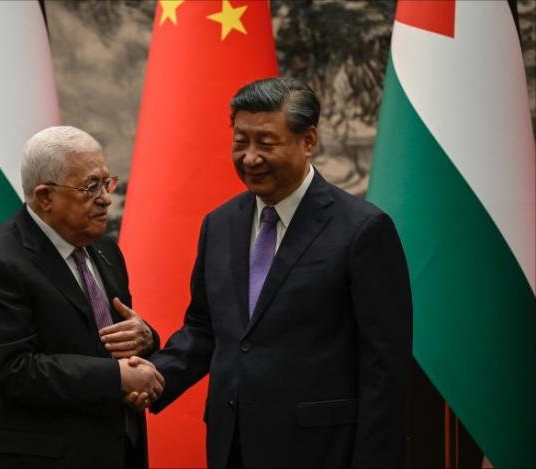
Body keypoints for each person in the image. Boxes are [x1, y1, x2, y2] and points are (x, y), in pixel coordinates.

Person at [144, 78, 413, 468]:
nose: (250, 157)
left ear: (308, 141)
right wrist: (152, 376)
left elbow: (384, 366)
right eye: (241, 141)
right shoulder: (219, 224)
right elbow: (205, 329)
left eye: (266, 144)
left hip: (322, 451)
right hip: (231, 446)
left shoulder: (362, 230)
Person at [0, 126, 164, 468]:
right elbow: (14, 369)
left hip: (114, 449)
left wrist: (146, 338)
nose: (105, 198)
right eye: (89, 187)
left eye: (105, 182)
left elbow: (106, 341)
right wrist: (117, 378)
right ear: (44, 197)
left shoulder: (106, 250)